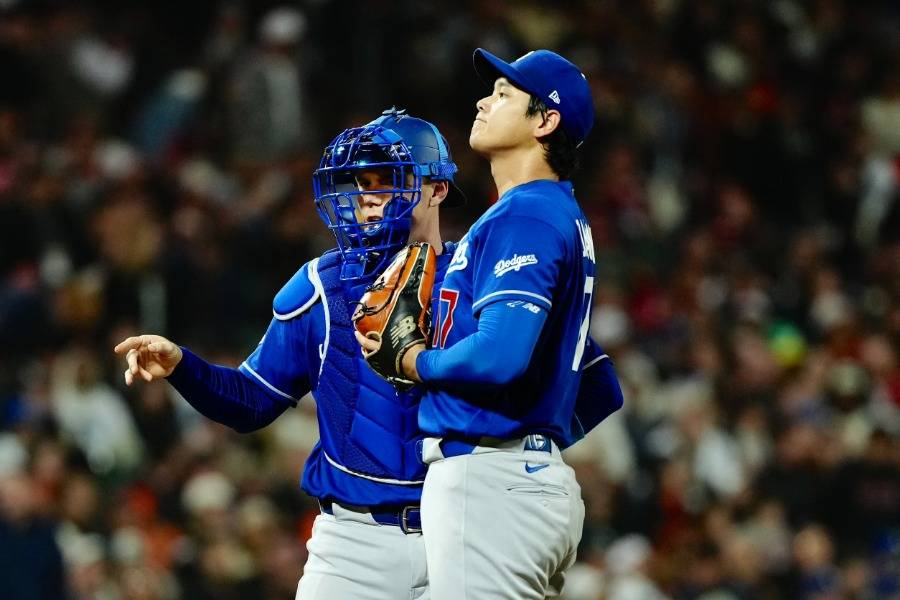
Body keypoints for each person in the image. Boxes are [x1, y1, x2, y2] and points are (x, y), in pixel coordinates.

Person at [114, 108, 465, 600]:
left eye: (386, 180)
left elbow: (547, 385)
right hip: (354, 545)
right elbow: (251, 401)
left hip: (462, 534)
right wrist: (183, 367)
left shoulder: (476, 279)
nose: (367, 197)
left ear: (437, 189)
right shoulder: (321, 286)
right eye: (360, 183)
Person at [363, 50, 625, 599]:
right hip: (519, 481)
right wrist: (537, 438)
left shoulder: (527, 213)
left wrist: (415, 360)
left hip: (492, 484)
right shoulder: (550, 212)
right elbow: (600, 383)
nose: (484, 101)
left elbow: (500, 356)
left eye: (505, 94)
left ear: (545, 121)